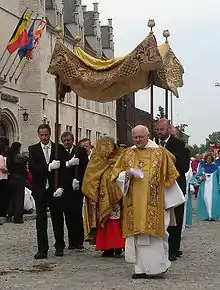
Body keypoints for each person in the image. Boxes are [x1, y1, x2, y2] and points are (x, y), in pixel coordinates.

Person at [111, 125, 185, 279]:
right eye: (135, 137)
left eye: (141, 137)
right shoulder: (127, 153)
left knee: (154, 235)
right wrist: (126, 174)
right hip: (134, 203)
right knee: (137, 236)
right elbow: (115, 174)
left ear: (148, 135)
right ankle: (139, 269)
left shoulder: (160, 153)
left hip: (155, 203)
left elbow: (171, 175)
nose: (138, 140)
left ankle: (158, 266)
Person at [82, 136, 125, 257]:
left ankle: (118, 245)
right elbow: (90, 178)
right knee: (105, 223)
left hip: (116, 200)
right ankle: (108, 247)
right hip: (101, 200)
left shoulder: (119, 160)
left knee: (116, 222)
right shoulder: (97, 162)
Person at [155, 118, 190, 261]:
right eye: (158, 130)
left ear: (169, 129)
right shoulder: (152, 144)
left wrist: (166, 159)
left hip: (174, 185)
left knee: (176, 216)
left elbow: (183, 166)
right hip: (157, 186)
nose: (159, 132)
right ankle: (159, 247)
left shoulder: (178, 144)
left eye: (162, 130)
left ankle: (173, 248)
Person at [28, 124, 64, 259]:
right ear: (38, 135)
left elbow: (63, 171)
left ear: (50, 134)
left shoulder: (57, 148)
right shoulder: (33, 149)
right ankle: (42, 249)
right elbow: (33, 168)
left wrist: (61, 186)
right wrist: (48, 166)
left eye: (46, 135)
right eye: (41, 135)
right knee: (41, 220)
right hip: (40, 189)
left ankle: (59, 245)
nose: (44, 137)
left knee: (57, 218)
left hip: (55, 189)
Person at [59, 131, 88, 249]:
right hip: (65, 187)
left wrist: (79, 179)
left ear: (73, 140)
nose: (67, 142)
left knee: (77, 213)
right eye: (65, 141)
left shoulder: (80, 151)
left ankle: (79, 240)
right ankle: (71, 240)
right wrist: (68, 164)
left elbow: (86, 167)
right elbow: (59, 168)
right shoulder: (59, 152)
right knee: (68, 214)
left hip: (77, 186)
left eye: (69, 140)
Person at [7, 142, 27, 224]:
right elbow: (24, 169)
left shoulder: (9, 157)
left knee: (12, 197)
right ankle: (18, 217)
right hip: (19, 179)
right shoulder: (19, 157)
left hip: (11, 178)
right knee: (19, 198)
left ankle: (10, 213)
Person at [196, 153, 220, 221]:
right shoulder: (202, 167)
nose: (208, 160)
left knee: (213, 200)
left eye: (209, 158)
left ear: (212, 159)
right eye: (207, 158)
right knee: (205, 199)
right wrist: (201, 177)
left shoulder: (216, 167)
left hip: (213, 187)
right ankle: (206, 215)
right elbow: (197, 177)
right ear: (205, 159)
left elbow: (219, 178)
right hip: (204, 187)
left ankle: (213, 215)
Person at [0, 144, 8, 225]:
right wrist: (8, 170)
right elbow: (2, 167)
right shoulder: (1, 157)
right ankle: (2, 212)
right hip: (2, 178)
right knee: (3, 196)